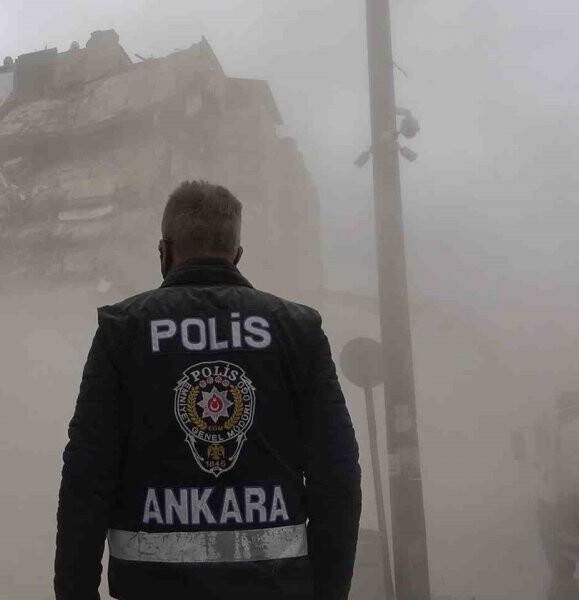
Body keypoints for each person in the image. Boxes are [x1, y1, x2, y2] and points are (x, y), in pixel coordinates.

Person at [55, 180, 361, 600]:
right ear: (237, 256)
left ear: (164, 252)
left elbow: (86, 476)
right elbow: (337, 474)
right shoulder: (297, 330)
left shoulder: (123, 331)